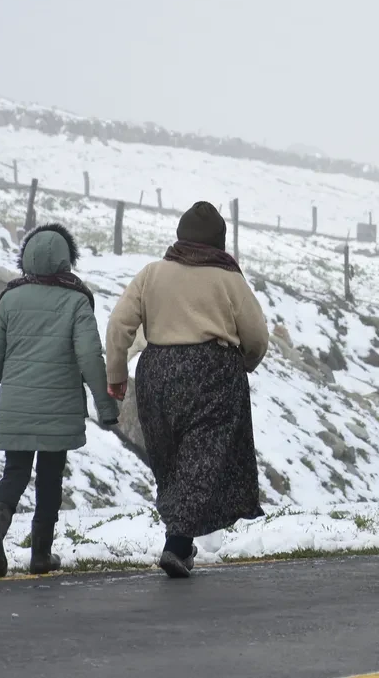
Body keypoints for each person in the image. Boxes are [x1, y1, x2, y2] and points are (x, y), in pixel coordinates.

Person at [106, 201, 269, 578]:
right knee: (203, 456)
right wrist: (242, 365)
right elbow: (257, 337)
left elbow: (118, 325)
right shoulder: (228, 278)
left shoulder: (151, 273)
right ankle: (178, 542)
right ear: (219, 241)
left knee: (169, 455)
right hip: (212, 372)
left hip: (157, 372)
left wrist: (115, 374)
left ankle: (177, 535)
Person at [0, 223, 118, 577]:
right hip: (59, 411)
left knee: (15, 472)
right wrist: (105, 407)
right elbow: (90, 358)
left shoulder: (10, 299)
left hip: (17, 406)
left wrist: (12, 381)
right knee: (50, 477)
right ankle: (41, 554)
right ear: (66, 260)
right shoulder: (77, 300)